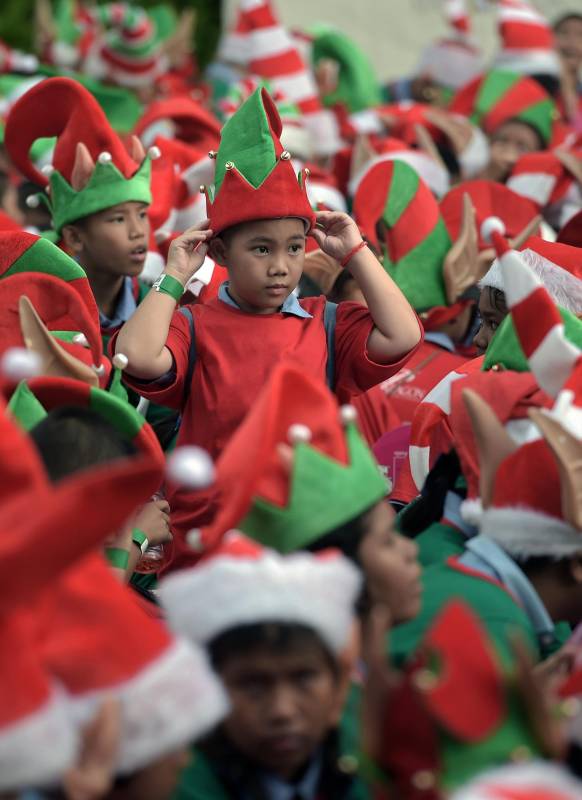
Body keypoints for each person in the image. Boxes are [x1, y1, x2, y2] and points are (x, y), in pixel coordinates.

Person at [114, 88, 421, 570]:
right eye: (261, 249)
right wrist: (174, 277)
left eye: (294, 247)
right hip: (206, 548)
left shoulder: (326, 324)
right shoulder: (196, 326)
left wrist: (356, 253)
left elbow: (404, 335)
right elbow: (135, 355)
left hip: (302, 544)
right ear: (218, 254)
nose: (281, 266)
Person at [160, 534, 364, 800]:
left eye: (303, 679)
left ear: (339, 686)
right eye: (252, 685)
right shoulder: (171, 785)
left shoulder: (377, 751)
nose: (283, 711)